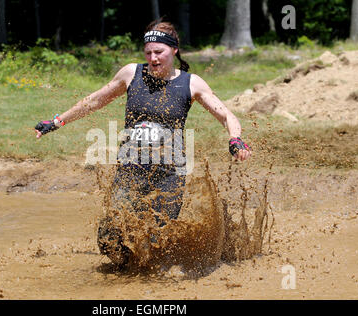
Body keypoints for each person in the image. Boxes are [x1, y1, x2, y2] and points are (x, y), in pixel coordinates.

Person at [35, 20, 251, 267]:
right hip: (130, 171)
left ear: (174, 50)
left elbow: (226, 115)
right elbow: (94, 101)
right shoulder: (131, 73)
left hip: (169, 175)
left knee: (152, 241)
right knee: (109, 240)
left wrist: (236, 139)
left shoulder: (191, 83)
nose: (153, 58)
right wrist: (56, 121)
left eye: (159, 52)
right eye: (148, 52)